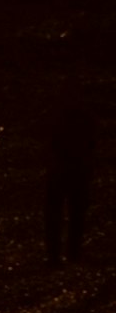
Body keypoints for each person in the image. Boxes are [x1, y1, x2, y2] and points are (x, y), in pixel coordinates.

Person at [52, 101, 95, 268]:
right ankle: (71, 253)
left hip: (63, 168)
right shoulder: (85, 116)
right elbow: (92, 143)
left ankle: (58, 255)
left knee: (61, 214)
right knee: (76, 213)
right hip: (75, 167)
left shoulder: (57, 115)